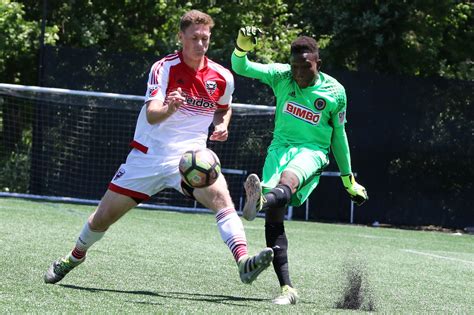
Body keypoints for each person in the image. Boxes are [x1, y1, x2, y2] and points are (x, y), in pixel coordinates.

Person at [44, 11, 273, 286]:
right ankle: (75, 256)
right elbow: (152, 114)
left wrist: (222, 125)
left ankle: (244, 261)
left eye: (205, 39)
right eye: (195, 38)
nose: (201, 44)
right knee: (100, 220)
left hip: (191, 160)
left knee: (221, 200)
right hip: (148, 157)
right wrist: (170, 107)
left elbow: (223, 110)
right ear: (181, 37)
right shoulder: (163, 68)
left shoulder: (223, 76)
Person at [231, 27, 369, 305]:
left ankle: (257, 203)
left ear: (318, 63)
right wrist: (241, 48)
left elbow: (339, 137)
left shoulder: (335, 92)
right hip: (279, 148)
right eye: (295, 66)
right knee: (275, 218)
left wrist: (348, 180)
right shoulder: (281, 75)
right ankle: (288, 290)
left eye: (305, 66)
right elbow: (241, 67)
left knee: (288, 180)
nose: (299, 72)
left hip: (313, 152)